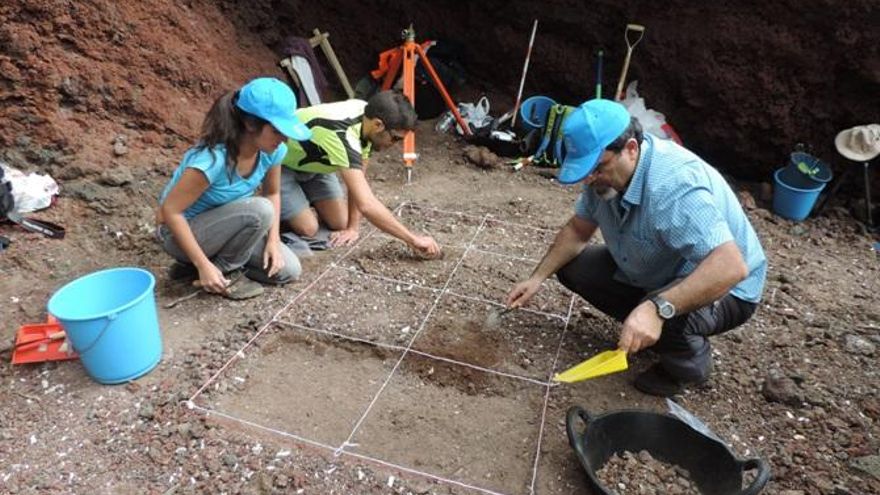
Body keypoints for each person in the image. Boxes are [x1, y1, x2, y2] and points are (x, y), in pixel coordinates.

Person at [506, 99, 767, 397]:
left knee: (662, 311)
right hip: (661, 266)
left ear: (631, 148)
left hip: (727, 285)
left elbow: (731, 267)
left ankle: (688, 362)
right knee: (572, 268)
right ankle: (648, 323)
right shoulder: (602, 179)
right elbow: (578, 230)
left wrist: (658, 308)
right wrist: (537, 278)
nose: (589, 178)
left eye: (598, 167)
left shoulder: (674, 188)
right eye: (585, 169)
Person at [156, 77, 311, 299]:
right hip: (179, 234)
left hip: (229, 229)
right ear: (250, 124)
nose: (284, 139)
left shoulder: (273, 151)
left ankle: (200, 269)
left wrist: (273, 241)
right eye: (277, 130)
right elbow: (170, 211)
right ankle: (221, 269)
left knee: (289, 270)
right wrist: (203, 264)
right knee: (260, 210)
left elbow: (273, 192)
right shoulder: (212, 160)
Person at [279, 90, 440, 257]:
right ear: (378, 125)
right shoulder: (342, 135)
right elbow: (366, 204)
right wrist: (412, 239)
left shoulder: (369, 117)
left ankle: (302, 202)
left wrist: (352, 228)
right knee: (308, 228)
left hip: (317, 166)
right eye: (395, 138)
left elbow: (359, 179)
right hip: (282, 165)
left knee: (341, 222)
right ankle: (283, 208)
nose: (395, 144)